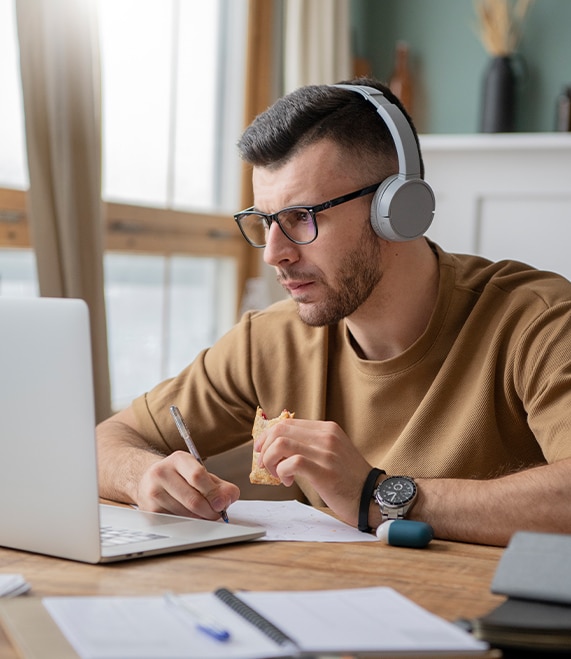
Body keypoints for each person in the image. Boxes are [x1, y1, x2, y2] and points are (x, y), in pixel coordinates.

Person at [96, 77, 571, 547]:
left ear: (397, 209)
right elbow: (105, 441)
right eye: (264, 222)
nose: (273, 254)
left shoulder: (539, 322)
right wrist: (143, 478)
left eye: (301, 216)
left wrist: (375, 496)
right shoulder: (269, 340)